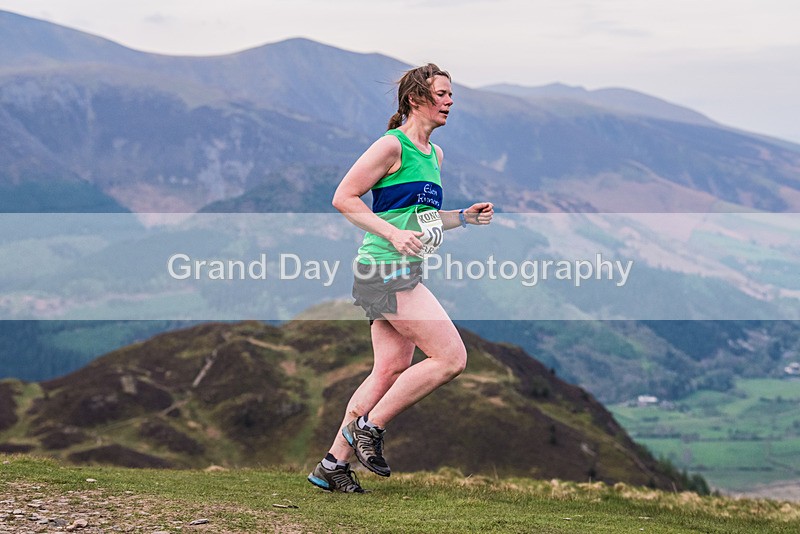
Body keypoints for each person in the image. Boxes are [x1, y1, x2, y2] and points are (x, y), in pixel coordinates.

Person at [307, 63, 493, 493]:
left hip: (403, 268)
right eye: (442, 94)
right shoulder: (392, 145)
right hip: (383, 269)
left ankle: (332, 465)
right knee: (451, 358)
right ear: (415, 99)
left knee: (389, 370)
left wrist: (463, 217)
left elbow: (421, 218)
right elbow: (343, 197)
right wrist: (391, 234)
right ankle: (370, 428)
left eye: (451, 95)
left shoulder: (434, 155)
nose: (450, 101)